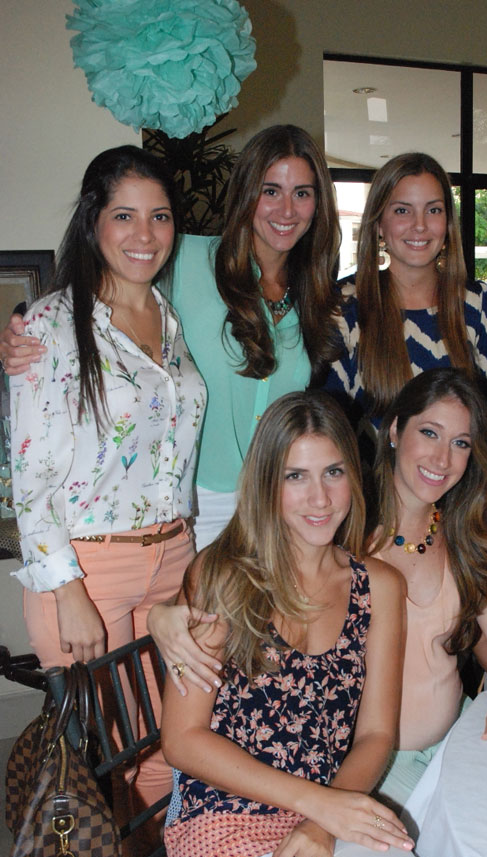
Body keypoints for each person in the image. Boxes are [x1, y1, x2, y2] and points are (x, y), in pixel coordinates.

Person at [160, 390, 447, 857]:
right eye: (296, 476)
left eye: (333, 473)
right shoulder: (221, 577)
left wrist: (325, 815)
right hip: (225, 823)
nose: (319, 499)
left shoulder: (381, 587)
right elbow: (182, 741)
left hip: (339, 810)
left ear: (353, 476)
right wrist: (317, 806)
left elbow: (376, 735)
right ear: (267, 484)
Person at [0, 125, 342, 548]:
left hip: (278, 502)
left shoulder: (316, 292)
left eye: (303, 193)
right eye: (270, 190)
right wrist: (23, 324)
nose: (286, 209)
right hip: (193, 504)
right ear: (246, 192)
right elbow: (99, 289)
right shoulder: (185, 258)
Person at [9, 145, 207, 812]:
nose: (145, 235)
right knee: (102, 758)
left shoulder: (168, 317)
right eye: (125, 215)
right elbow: (29, 475)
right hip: (88, 571)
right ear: (94, 221)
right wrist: (67, 591)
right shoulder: (52, 326)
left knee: (166, 742)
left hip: (173, 560)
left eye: (160, 216)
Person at [368, 369, 487, 806]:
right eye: (430, 433)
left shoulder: (459, 537)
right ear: (396, 430)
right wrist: (171, 616)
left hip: (460, 735)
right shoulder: (343, 536)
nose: (442, 459)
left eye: (460, 444)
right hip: (378, 766)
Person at [326, 152, 487, 433]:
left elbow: (486, 416)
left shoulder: (477, 301)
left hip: (457, 474)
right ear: (379, 224)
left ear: (448, 223)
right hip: (371, 476)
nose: (420, 225)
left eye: (433, 210)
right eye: (402, 210)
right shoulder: (343, 303)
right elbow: (333, 427)